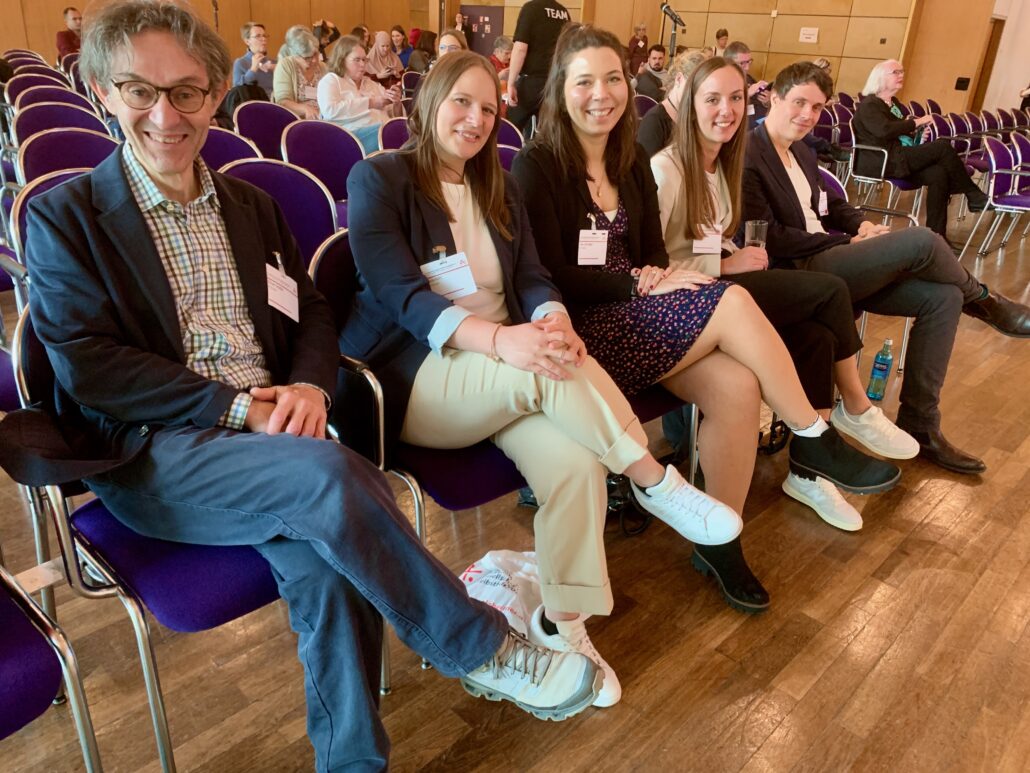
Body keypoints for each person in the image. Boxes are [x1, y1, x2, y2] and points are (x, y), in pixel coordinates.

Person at [18, 2, 603, 770]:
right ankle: (480, 644)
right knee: (336, 481)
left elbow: (314, 313)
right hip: (156, 450)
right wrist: (235, 407)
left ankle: (352, 761)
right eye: (138, 90)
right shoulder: (65, 216)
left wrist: (309, 387)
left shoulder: (250, 207)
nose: (165, 114)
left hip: (281, 443)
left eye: (187, 92)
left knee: (330, 561)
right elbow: (90, 365)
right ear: (101, 89)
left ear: (216, 92)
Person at [343, 48, 758, 710]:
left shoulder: (498, 184)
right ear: (429, 104)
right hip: (420, 373)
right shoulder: (380, 178)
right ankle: (652, 479)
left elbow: (534, 276)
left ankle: (565, 628)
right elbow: (401, 298)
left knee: (574, 465)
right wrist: (508, 340)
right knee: (545, 370)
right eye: (461, 102)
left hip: (513, 365)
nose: (475, 120)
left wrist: (552, 318)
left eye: (488, 107)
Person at [512, 25, 900, 600]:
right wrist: (637, 283)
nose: (603, 93)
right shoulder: (538, 165)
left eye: (614, 79)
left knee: (740, 386)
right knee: (735, 297)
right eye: (585, 81)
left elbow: (648, 250)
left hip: (642, 315)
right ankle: (813, 433)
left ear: (627, 84)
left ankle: (720, 542)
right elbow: (547, 273)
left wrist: (651, 275)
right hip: (584, 330)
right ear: (561, 89)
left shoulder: (629, 161)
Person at [651, 56, 915, 531]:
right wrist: (723, 263)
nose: (728, 110)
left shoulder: (722, 166)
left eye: (735, 98)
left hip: (726, 280)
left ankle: (809, 471)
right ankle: (850, 412)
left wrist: (732, 256)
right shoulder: (666, 169)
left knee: (816, 337)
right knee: (830, 290)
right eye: (713, 99)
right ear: (689, 105)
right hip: (694, 295)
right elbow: (651, 262)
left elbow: (716, 231)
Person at [744, 62, 1030, 473]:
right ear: (774, 99)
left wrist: (861, 224)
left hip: (835, 260)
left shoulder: (803, 151)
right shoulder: (750, 155)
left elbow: (832, 205)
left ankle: (921, 424)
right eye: (799, 103)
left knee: (943, 297)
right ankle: (985, 301)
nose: (807, 115)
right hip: (801, 269)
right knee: (922, 239)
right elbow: (771, 237)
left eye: (817, 107)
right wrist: (847, 241)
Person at [852, 60, 990, 238]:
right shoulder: (870, 104)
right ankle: (973, 194)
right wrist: (916, 122)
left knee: (938, 173)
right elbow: (884, 130)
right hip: (880, 160)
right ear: (880, 77)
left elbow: (899, 134)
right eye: (895, 72)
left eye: (902, 71)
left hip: (897, 157)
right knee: (942, 147)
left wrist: (916, 137)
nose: (901, 75)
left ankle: (936, 236)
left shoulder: (894, 105)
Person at [318, 35, 401, 153]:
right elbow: (330, 111)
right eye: (357, 60)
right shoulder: (331, 81)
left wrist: (396, 101)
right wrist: (370, 103)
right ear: (342, 60)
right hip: (350, 139)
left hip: (383, 134)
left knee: (409, 127)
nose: (362, 64)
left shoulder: (371, 84)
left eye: (364, 60)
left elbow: (394, 116)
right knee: (390, 131)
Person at [505, 0, 571, 132]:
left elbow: (520, 49)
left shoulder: (530, 9)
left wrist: (510, 83)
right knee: (549, 133)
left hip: (531, 84)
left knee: (510, 128)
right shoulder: (564, 13)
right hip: (556, 83)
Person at [636, 50, 704, 157]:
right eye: (695, 85)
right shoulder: (654, 122)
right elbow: (646, 171)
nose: (700, 93)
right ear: (679, 79)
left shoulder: (694, 116)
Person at [273, 25, 325, 118]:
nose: (313, 60)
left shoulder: (322, 67)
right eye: (307, 57)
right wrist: (304, 109)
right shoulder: (285, 66)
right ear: (295, 56)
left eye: (315, 54)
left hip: (323, 118)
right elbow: (282, 101)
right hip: (297, 121)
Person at [724, 41, 767, 128]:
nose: (747, 68)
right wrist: (748, 93)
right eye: (742, 63)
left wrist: (767, 100)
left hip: (760, 120)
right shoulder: (723, 81)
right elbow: (727, 106)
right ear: (729, 63)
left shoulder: (748, 78)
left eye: (749, 62)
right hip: (742, 126)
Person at [232, 21, 275, 98]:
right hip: (254, 106)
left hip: (277, 104)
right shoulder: (241, 63)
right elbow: (236, 91)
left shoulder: (274, 63)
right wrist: (253, 69)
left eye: (264, 35)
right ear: (247, 41)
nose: (263, 39)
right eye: (258, 36)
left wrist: (279, 70)